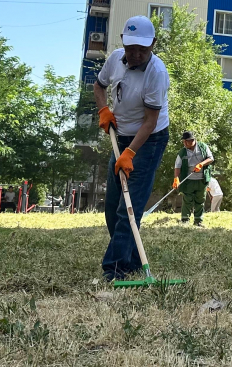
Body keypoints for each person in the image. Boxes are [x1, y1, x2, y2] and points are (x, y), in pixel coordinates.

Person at [94, 15, 172, 281]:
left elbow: (150, 121)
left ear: (153, 44)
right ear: (123, 43)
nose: (136, 54)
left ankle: (113, 268)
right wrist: (104, 110)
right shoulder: (115, 59)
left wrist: (131, 153)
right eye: (131, 48)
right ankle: (132, 261)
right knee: (113, 205)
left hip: (149, 141)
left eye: (143, 49)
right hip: (122, 136)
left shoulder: (156, 74)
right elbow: (99, 85)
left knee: (129, 206)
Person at [172, 131, 214, 226]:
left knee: (200, 200)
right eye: (184, 141)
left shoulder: (203, 147)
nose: (185, 143)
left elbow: (211, 158)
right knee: (187, 200)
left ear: (193, 140)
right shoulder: (182, 152)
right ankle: (185, 220)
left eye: (187, 141)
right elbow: (177, 166)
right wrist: (176, 178)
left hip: (201, 179)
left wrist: (201, 164)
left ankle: (198, 221)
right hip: (188, 181)